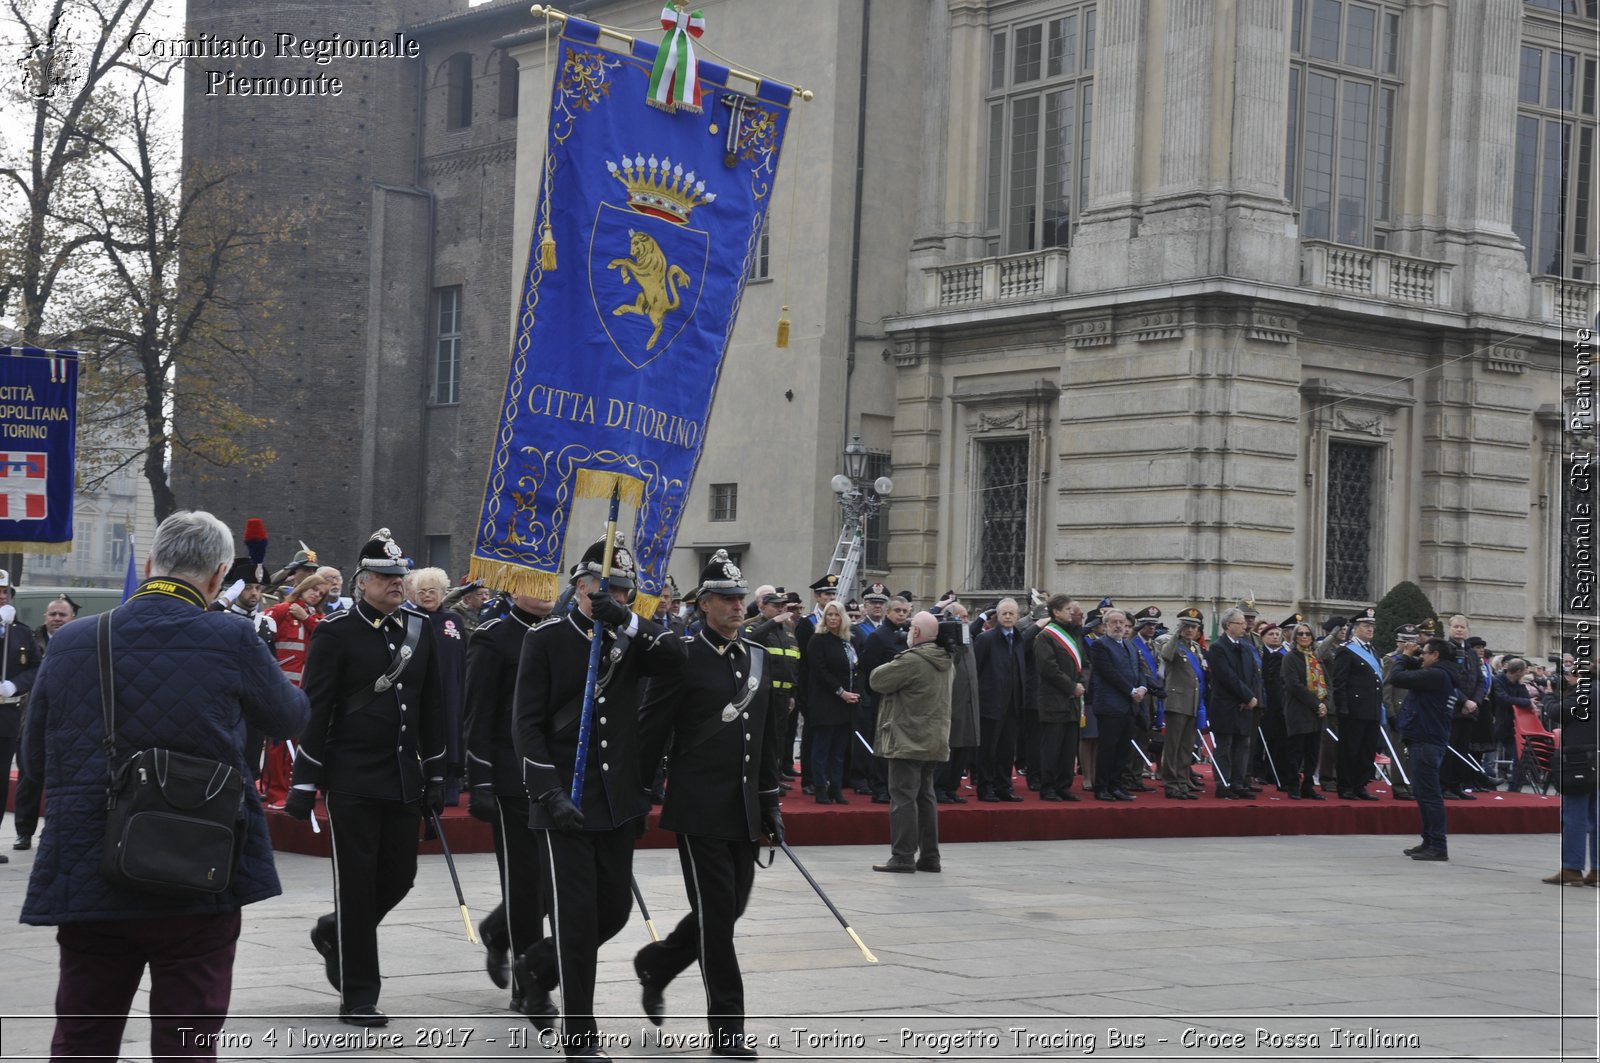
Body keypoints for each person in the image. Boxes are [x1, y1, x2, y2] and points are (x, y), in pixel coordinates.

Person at [20, 510, 309, 1060]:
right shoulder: (232, 636)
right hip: (198, 864)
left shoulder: (76, 640)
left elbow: (33, 755)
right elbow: (288, 720)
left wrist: (38, 829)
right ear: (220, 575)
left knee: (83, 1039)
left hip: (90, 861)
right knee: (187, 1044)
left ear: (152, 563)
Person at [511, 532, 683, 1060]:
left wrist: (626, 620)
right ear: (580, 587)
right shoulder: (545, 639)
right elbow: (526, 726)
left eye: (624, 592)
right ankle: (580, 1038)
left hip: (614, 802)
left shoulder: (632, 638)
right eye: (604, 589)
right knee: (578, 919)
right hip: (563, 801)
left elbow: (675, 659)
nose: (613, 597)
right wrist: (548, 791)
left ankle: (536, 966)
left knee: (612, 913)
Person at [285, 528, 448, 1027]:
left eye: (400, 576)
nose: (396, 584)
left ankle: (335, 931)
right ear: (362, 582)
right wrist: (304, 781)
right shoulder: (337, 633)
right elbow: (317, 709)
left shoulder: (420, 631)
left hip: (402, 777)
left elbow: (433, 706)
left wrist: (437, 771)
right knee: (356, 886)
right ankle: (359, 994)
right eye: (385, 577)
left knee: (400, 876)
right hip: (352, 776)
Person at [633, 550, 783, 1060]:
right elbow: (652, 727)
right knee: (717, 919)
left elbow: (765, 738)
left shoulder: (757, 656)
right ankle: (727, 1028)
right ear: (703, 604)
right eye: (727, 598)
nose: (739, 606)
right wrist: (639, 791)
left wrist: (770, 802)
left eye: (742, 598)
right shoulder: (681, 653)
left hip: (741, 807)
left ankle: (658, 962)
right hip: (698, 807)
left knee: (729, 908)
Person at [464, 591, 555, 1014]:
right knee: (524, 882)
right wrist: (479, 776)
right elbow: (478, 711)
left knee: (553, 884)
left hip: (559, 774)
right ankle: (527, 981)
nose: (546, 594)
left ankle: (497, 932)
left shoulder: (566, 634)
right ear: (514, 587)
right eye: (535, 584)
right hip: (512, 774)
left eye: (551, 583)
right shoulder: (494, 637)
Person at [869, 610, 953, 873]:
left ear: (916, 633)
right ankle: (930, 856)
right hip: (933, 739)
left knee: (903, 798)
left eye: (910, 628)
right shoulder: (946, 660)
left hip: (907, 738)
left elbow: (877, 680)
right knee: (925, 797)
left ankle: (903, 855)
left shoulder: (913, 660)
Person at [257, 571, 332, 807]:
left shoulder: (319, 618)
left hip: (306, 691)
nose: (316, 595)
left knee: (298, 744)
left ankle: (289, 788)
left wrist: (307, 618)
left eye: (320, 594)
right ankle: (275, 792)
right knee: (279, 743)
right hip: (282, 688)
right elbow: (259, 630)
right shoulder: (282, 610)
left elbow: (329, 637)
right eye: (314, 590)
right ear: (304, 587)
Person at [12, 595, 75, 851]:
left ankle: (54, 830)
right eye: (53, 615)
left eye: (63, 615)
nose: (57, 619)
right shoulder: (30, 639)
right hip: (30, 719)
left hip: (65, 721)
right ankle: (24, 833)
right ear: (45, 618)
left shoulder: (78, 642)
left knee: (62, 778)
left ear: (72, 618)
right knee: (29, 777)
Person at [1389, 637, 1460, 862]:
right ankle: (1429, 841)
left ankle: (1438, 845)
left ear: (1436, 655)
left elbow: (1397, 677)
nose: (1422, 657)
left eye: (1426, 653)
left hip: (1426, 739)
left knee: (1429, 795)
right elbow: (1414, 674)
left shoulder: (1437, 675)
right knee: (1423, 793)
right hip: (1426, 738)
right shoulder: (1440, 674)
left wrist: (1405, 656)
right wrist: (1412, 658)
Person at [407, 567, 469, 804]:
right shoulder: (410, 620)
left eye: (432, 591)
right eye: (421, 591)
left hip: (452, 691)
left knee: (452, 734)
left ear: (443, 592)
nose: (426, 595)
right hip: (422, 691)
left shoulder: (454, 620)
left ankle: (451, 785)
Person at [1086, 609, 1153, 802]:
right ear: (1106, 626)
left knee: (1123, 749)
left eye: (1121, 623)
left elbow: (1140, 668)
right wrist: (1131, 691)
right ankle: (1102, 787)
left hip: (1129, 706)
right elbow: (1109, 673)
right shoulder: (1100, 646)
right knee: (1108, 748)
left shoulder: (1130, 645)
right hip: (1110, 705)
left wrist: (1142, 687)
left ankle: (1116, 785)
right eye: (1113, 622)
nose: (1118, 626)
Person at [1543, 662, 1598, 885]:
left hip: (1580, 761)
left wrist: (1549, 696)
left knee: (1574, 814)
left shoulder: (1584, 691)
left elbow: (1559, 713)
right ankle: (1597, 871)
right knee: (1597, 815)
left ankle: (1572, 868)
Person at [0, 568, 40, 864]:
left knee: (1, 780)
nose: (2, 597)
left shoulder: (22, 631)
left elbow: (35, 667)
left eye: (5, 593)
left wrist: (15, 685)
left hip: (7, 715)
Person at [803, 599, 858, 804]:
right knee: (821, 750)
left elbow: (854, 669)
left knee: (838, 751)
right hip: (825, 702)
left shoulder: (847, 641)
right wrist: (841, 691)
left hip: (846, 703)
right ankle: (820, 788)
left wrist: (852, 693)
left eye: (836, 614)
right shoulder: (817, 640)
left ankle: (836, 787)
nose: (833, 618)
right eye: (829, 615)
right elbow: (820, 671)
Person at [1033, 595, 1086, 802]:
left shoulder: (1074, 635)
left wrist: (1082, 684)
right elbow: (1048, 668)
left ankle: (1064, 786)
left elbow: (1084, 664)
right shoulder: (1046, 636)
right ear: (1056, 612)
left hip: (1073, 702)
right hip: (1054, 701)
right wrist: (1072, 686)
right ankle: (1048, 788)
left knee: (1068, 749)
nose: (1071, 613)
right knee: (1052, 748)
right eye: (1067, 609)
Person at [1206, 607, 1262, 800]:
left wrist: (1252, 697)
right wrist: (1247, 696)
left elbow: (1255, 675)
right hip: (1226, 705)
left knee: (1243, 745)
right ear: (1228, 625)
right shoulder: (1217, 648)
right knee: (1224, 745)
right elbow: (1227, 676)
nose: (1245, 626)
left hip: (1245, 705)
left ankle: (1238, 783)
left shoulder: (1246, 647)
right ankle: (1223, 783)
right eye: (1240, 623)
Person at [973, 598, 1026, 802]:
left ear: (1017, 616)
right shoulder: (986, 639)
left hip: (1012, 703)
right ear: (997, 615)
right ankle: (985, 788)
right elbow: (976, 671)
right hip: (990, 703)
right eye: (1003, 613)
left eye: (1011, 613)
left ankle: (1003, 786)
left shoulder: (1019, 638)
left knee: (1006, 749)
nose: (1007, 617)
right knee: (988, 749)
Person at [1331, 607, 1384, 801]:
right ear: (1355, 628)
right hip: (1353, 710)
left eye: (1372, 625)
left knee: (1367, 750)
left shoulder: (1373, 651)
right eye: (1366, 625)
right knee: (1349, 750)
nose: (1370, 629)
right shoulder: (1347, 651)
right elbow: (1339, 682)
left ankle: (1360, 785)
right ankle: (1345, 786)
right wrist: (1342, 707)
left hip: (1371, 708)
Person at [1157, 607, 1207, 800]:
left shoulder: (1194, 648)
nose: (1189, 630)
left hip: (1192, 703)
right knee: (1173, 746)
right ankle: (1171, 783)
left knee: (1186, 747)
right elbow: (1166, 656)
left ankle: (1182, 781)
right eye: (1186, 626)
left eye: (1193, 627)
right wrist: (1175, 636)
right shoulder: (1173, 645)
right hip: (1177, 702)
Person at [934, 600, 980, 804]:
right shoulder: (943, 640)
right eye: (961, 617)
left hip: (970, 701)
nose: (965, 621)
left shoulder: (968, 637)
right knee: (949, 748)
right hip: (952, 701)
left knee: (964, 747)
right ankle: (940, 787)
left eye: (966, 617)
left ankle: (952, 787)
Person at [1280, 622, 1329, 801]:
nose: (1304, 636)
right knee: (1296, 752)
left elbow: (1327, 683)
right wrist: (1316, 704)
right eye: (1300, 634)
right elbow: (1294, 685)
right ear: (1294, 638)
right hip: (1298, 711)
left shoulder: (1315, 657)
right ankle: (1293, 786)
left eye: (1308, 633)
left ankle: (1308, 786)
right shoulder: (1290, 658)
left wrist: (1325, 704)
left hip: (1317, 714)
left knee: (1312, 753)